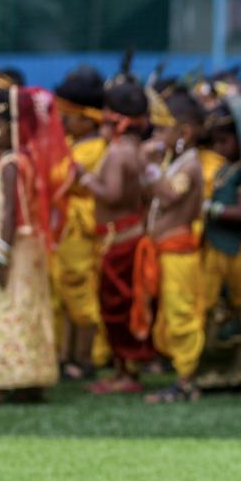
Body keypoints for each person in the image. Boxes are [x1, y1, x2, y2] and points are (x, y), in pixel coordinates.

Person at [0, 87, 66, 403]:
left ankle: (3, 382)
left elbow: (10, 213)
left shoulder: (9, 163)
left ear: (16, 128)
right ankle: (29, 381)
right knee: (27, 307)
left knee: (6, 307)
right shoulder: (28, 159)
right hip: (29, 248)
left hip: (13, 246)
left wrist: (0, 256)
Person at [83, 78, 155, 394]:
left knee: (117, 307)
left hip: (118, 239)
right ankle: (123, 368)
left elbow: (111, 195)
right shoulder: (140, 151)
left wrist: (83, 177)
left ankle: (126, 374)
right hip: (131, 233)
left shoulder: (117, 154)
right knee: (126, 305)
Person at [194, 100, 241, 391]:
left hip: (236, 253)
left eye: (225, 141)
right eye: (216, 142)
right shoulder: (224, 169)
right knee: (211, 307)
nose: (220, 147)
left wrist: (209, 209)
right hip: (214, 250)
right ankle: (214, 370)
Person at [139, 91, 207, 403]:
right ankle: (181, 376)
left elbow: (169, 197)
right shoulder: (175, 161)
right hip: (165, 250)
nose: (155, 137)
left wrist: (150, 167)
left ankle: (186, 381)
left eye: (161, 130)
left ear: (185, 132)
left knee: (181, 315)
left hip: (179, 252)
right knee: (169, 315)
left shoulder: (190, 166)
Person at [52, 65, 110, 380]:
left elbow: (60, 176)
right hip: (65, 227)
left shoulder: (94, 149)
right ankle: (66, 356)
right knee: (65, 289)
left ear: (88, 118)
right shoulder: (77, 145)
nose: (62, 122)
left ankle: (85, 358)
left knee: (79, 289)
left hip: (81, 228)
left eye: (68, 116)